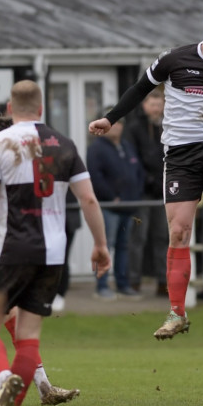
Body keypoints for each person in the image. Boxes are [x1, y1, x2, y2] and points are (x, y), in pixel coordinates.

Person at [88, 3, 203, 339]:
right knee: (179, 232)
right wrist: (110, 118)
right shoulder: (173, 59)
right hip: (181, 158)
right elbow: (139, 90)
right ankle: (177, 314)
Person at [0, 79, 110, 406]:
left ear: (8, 108)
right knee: (28, 337)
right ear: (42, 109)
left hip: (10, 249)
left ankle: (4, 377)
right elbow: (89, 200)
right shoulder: (64, 145)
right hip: (51, 253)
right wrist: (100, 245)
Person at [87, 106, 145, 300]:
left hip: (128, 208)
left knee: (123, 247)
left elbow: (138, 173)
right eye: (114, 122)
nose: (117, 126)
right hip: (108, 208)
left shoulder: (128, 146)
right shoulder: (96, 148)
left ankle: (123, 284)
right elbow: (95, 177)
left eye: (120, 122)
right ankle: (101, 286)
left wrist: (135, 194)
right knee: (105, 246)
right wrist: (111, 197)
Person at [123, 88, 169, 296]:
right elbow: (133, 160)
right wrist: (149, 180)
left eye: (159, 104)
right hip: (142, 192)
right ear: (144, 106)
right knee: (138, 237)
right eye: (152, 104)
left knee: (163, 237)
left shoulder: (170, 127)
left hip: (164, 191)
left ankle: (163, 280)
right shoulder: (134, 129)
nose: (156, 108)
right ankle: (134, 280)